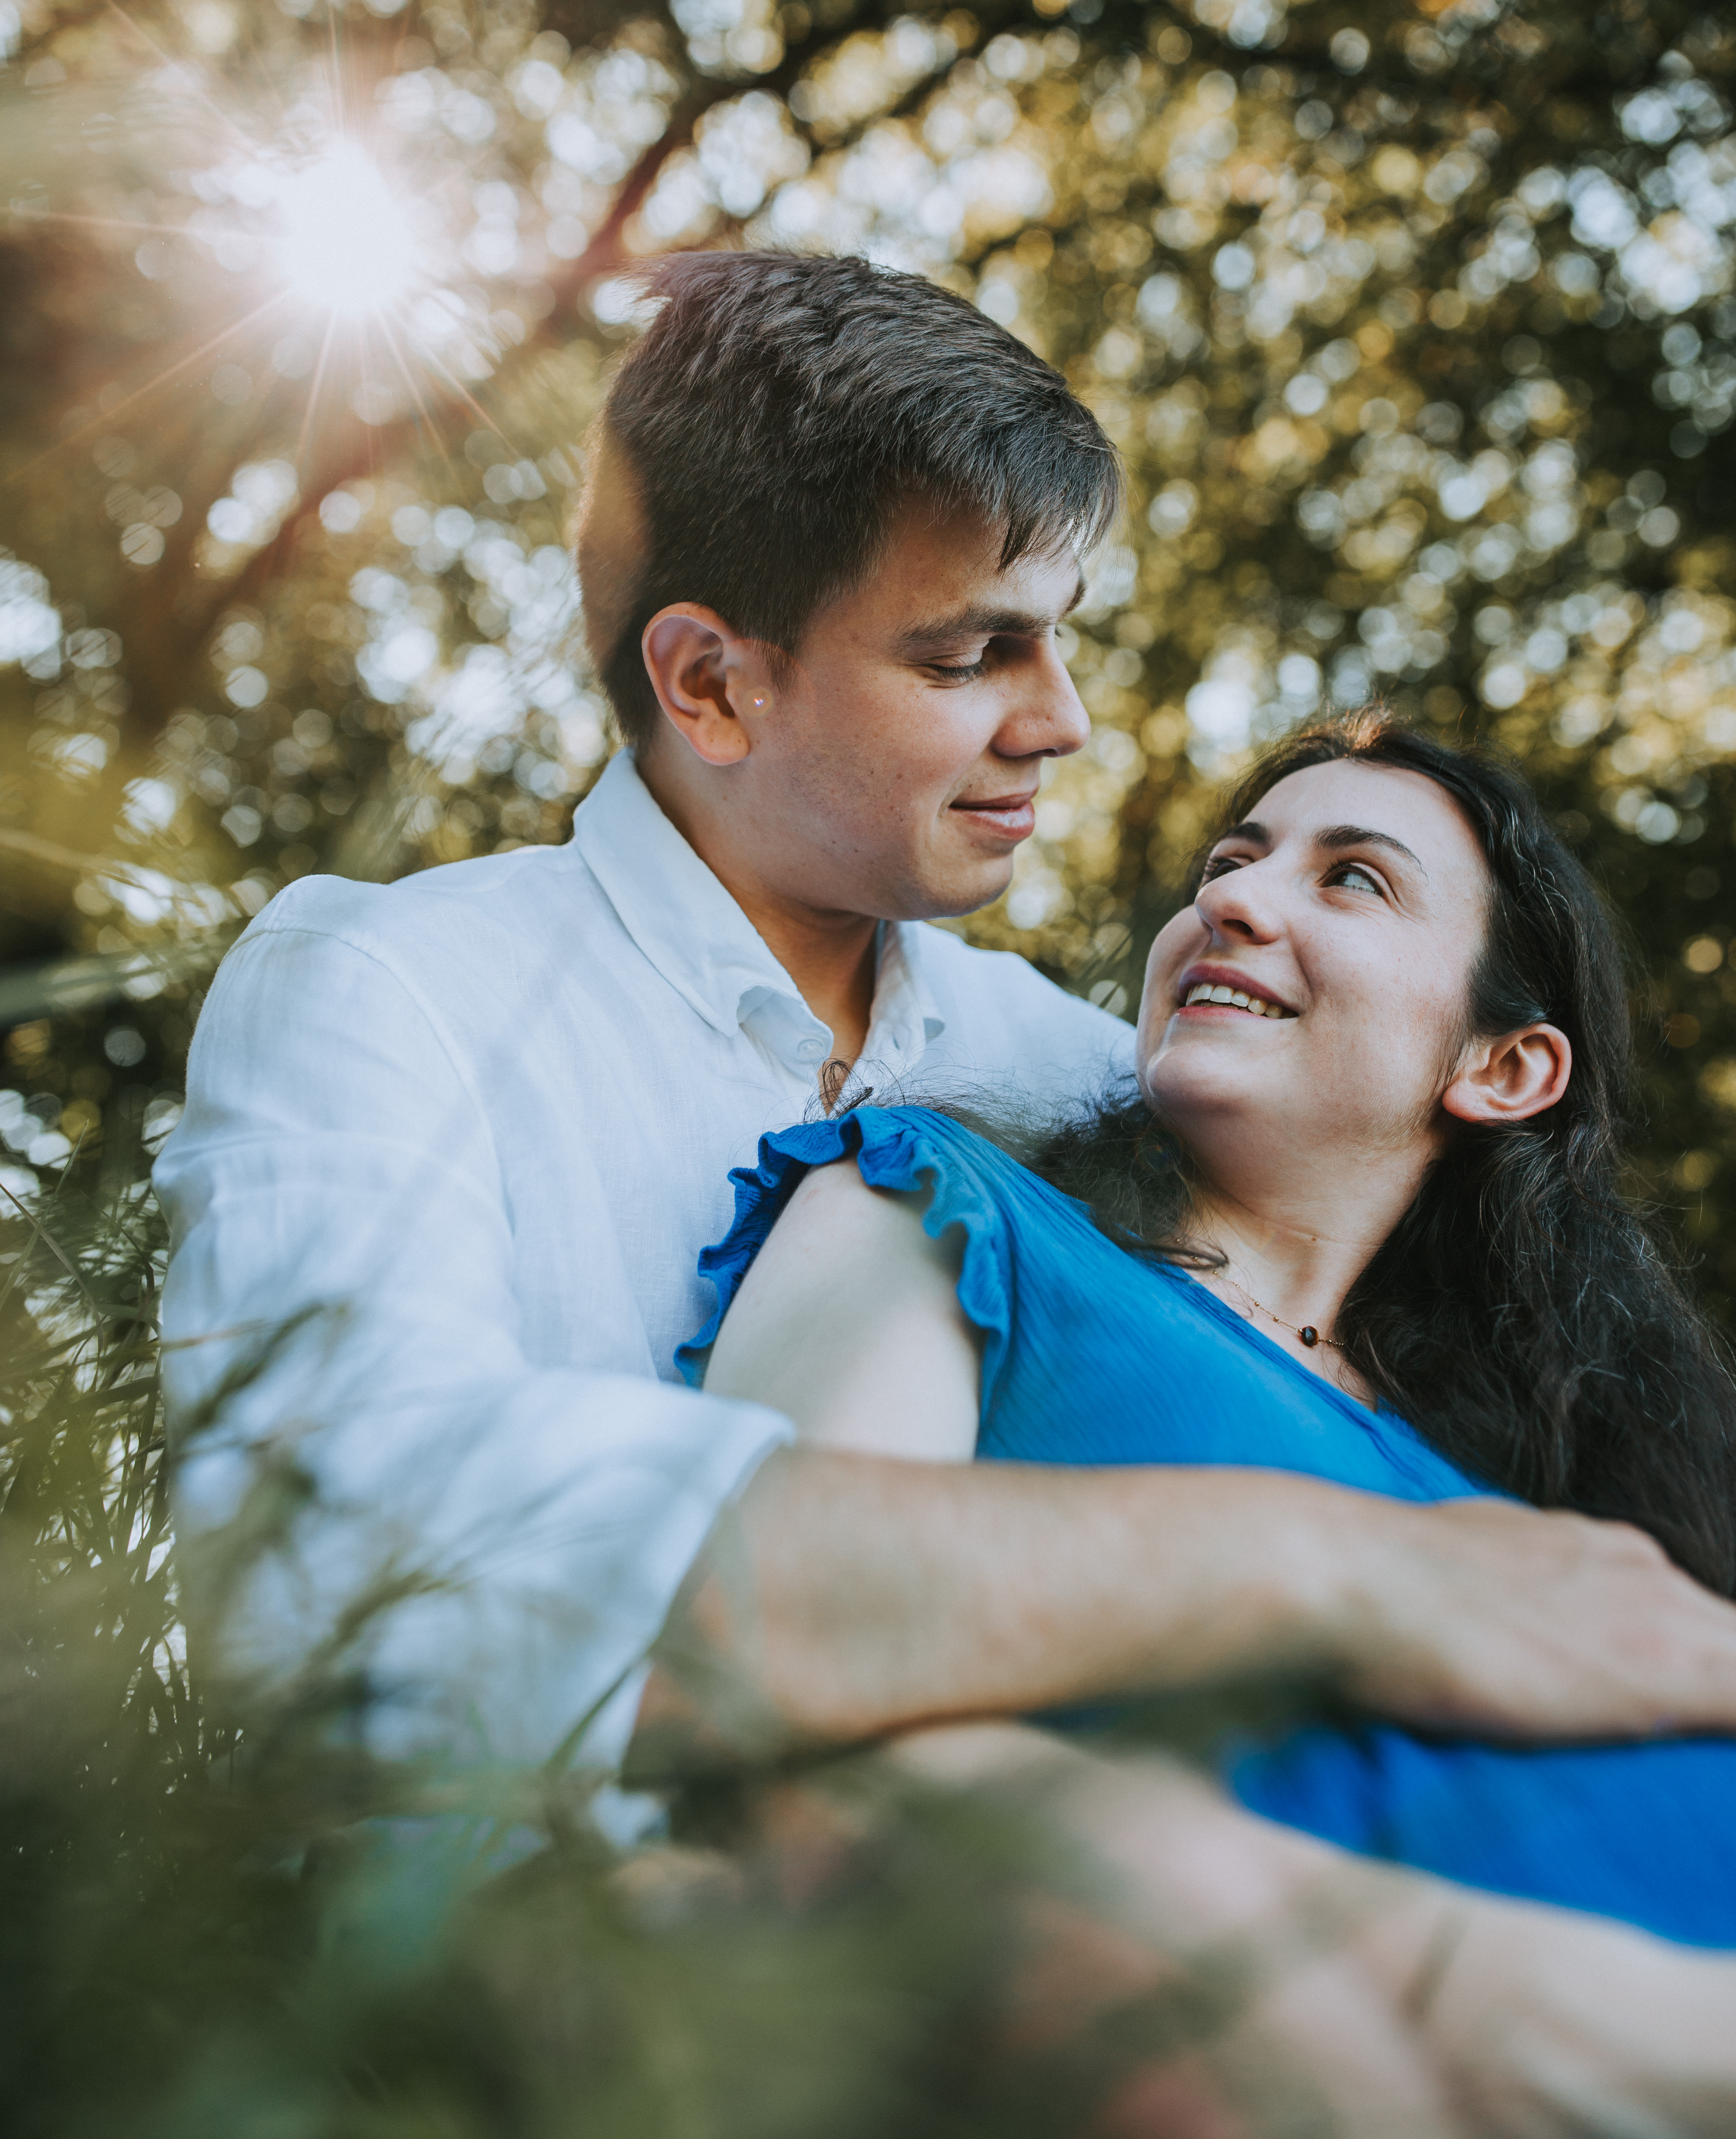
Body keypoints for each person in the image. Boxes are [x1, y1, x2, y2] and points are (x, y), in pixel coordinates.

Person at [155, 255, 1736, 2131]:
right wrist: (1329, 1571)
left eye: (1060, 636)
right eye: (971, 650)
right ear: (715, 683)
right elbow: (350, 1573)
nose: (1060, 720)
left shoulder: (1070, 1069)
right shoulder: (391, 988)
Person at [690, 710, 1736, 2102]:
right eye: (1229, 865)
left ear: (1503, 1069)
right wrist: (1484, 1984)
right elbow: (743, 1642)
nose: (1229, 898)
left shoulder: (1533, 1480)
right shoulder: (951, 1202)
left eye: (1350, 878)